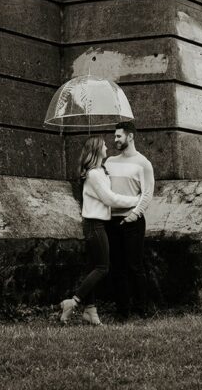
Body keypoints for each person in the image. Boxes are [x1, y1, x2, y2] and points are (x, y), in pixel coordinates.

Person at [59, 133, 140, 326]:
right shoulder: (94, 174)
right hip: (94, 225)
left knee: (93, 267)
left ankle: (90, 310)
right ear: (96, 150)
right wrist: (136, 200)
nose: (107, 148)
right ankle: (73, 302)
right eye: (103, 146)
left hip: (98, 224)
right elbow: (109, 199)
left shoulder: (100, 172)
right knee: (103, 268)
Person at [106, 121, 155, 319]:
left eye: (119, 136)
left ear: (130, 136)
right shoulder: (109, 162)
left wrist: (133, 215)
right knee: (116, 267)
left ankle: (142, 309)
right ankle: (122, 311)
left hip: (133, 222)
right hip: (111, 221)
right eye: (115, 136)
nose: (115, 139)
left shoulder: (143, 163)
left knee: (134, 266)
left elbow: (147, 193)